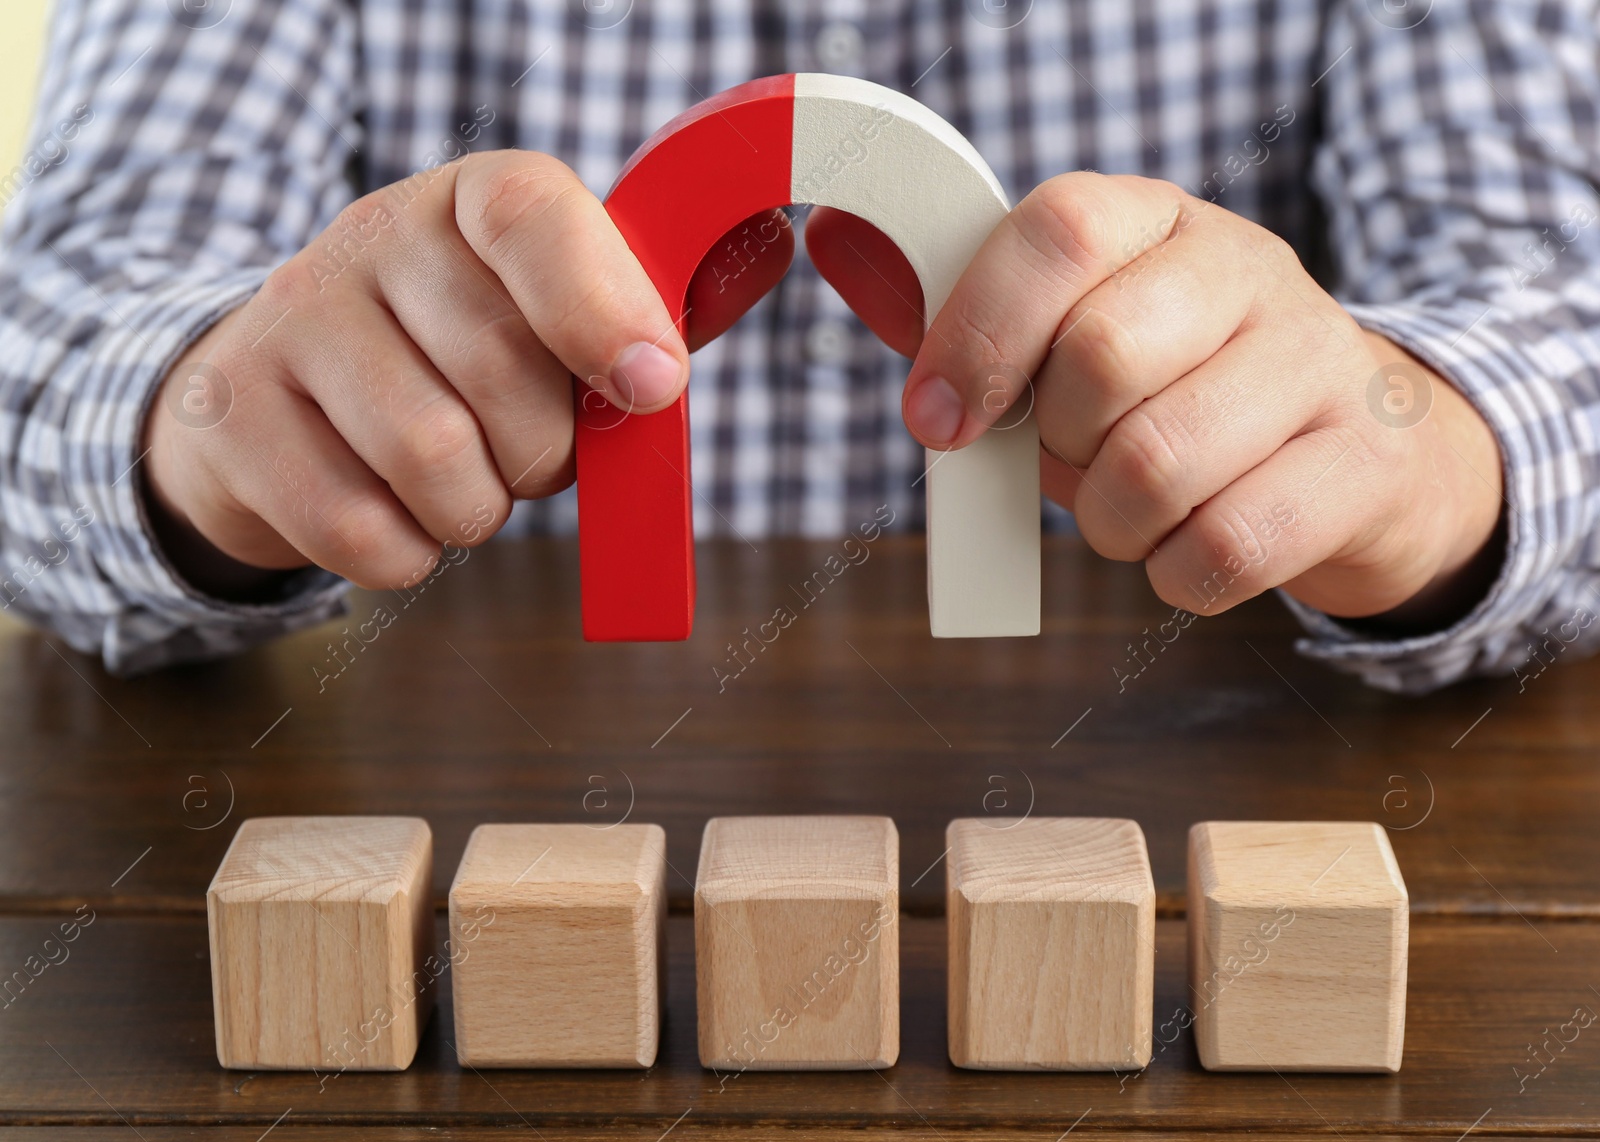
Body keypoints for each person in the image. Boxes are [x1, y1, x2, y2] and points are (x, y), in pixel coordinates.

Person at [0, 0, 1595, 693]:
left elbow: (1553, 299)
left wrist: (1434, 442)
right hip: (511, 853)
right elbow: (58, 320)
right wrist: (193, 419)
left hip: (1171, 838)